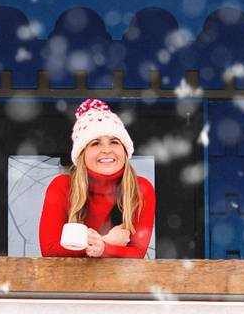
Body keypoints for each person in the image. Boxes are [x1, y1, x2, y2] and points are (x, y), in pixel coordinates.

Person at [38, 99, 157, 258]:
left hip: (119, 275)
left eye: (114, 142)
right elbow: (50, 250)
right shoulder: (62, 186)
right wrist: (104, 242)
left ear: (124, 151)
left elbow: (137, 253)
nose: (106, 150)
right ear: (82, 154)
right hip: (69, 275)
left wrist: (101, 247)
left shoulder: (141, 189)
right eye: (95, 143)